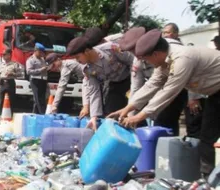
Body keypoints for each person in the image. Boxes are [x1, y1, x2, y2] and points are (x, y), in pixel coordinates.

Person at [108, 29, 220, 178]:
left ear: (155, 54)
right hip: (215, 94)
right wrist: (128, 108)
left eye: (146, 59)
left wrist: (139, 116)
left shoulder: (182, 59)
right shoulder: (163, 62)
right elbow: (152, 85)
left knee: (207, 135)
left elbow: (169, 91)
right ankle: (208, 178)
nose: (146, 63)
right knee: (207, 137)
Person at [66, 32, 134, 130]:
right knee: (111, 114)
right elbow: (94, 91)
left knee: (134, 111)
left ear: (86, 51)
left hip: (131, 80)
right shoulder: (86, 68)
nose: (77, 61)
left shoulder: (111, 49)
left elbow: (132, 61)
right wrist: (94, 117)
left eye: (77, 57)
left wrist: (134, 87)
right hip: (114, 84)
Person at [0, 49, 23, 113]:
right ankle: (2, 116)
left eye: (4, 55)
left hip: (10, 83)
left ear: (9, 55)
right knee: (1, 101)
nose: (3, 56)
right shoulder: (0, 64)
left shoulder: (15, 64)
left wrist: (13, 74)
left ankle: (10, 115)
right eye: (2, 55)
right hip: (2, 83)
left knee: (11, 101)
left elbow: (21, 74)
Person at [26, 43, 48, 114]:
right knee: (38, 99)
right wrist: (41, 70)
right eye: (40, 52)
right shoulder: (31, 60)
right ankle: (42, 114)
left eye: (42, 52)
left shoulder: (42, 59)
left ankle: (35, 114)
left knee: (41, 98)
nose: (41, 53)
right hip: (35, 80)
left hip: (43, 80)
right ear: (36, 50)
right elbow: (29, 71)